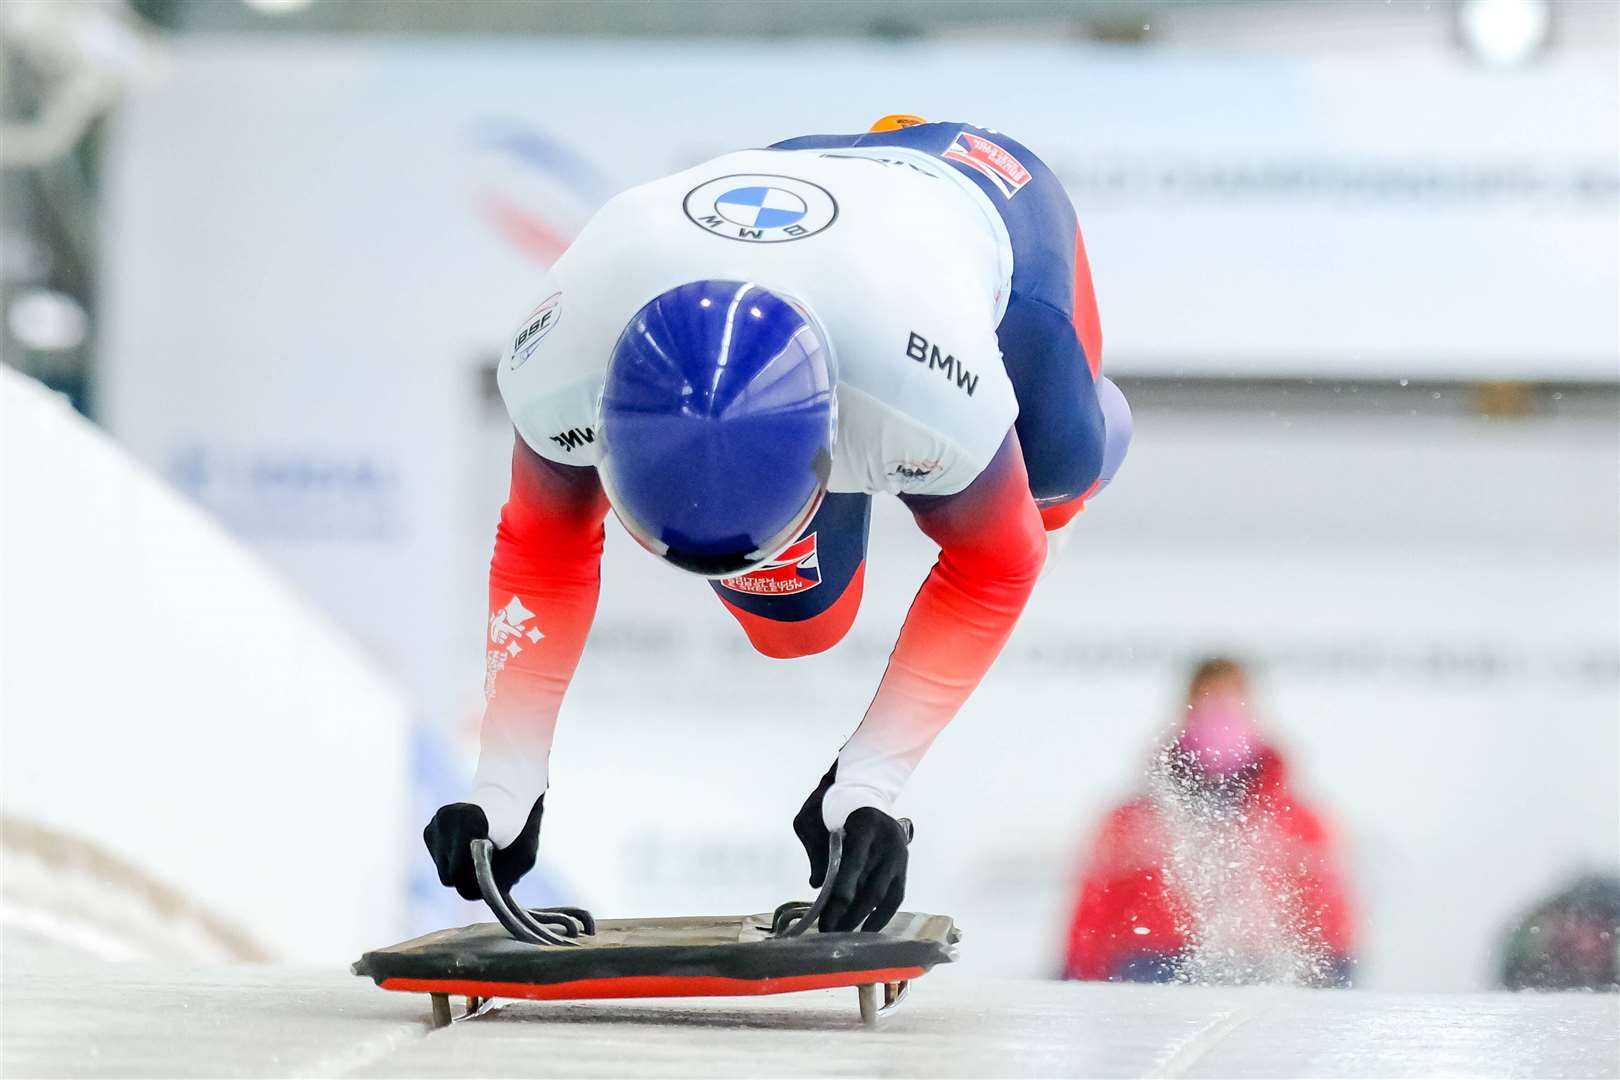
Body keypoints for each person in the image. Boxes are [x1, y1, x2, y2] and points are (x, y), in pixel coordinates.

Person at [425, 116, 1133, 933]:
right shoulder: (557, 361)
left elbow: (997, 567)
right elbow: (542, 548)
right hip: (804, 212)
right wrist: (505, 786)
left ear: (835, 447)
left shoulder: (927, 399)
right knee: (799, 624)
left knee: (1059, 475)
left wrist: (868, 783)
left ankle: (1093, 437)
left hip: (988, 205)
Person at [1062, 658, 1357, 985]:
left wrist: (1335, 974)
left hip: (1260, 969)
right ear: (1186, 711)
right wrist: (1079, 974)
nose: (1219, 714)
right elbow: (1095, 905)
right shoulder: (1134, 819)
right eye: (1207, 700)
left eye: (1231, 701)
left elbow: (1327, 909)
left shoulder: (1298, 821)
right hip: (1151, 966)